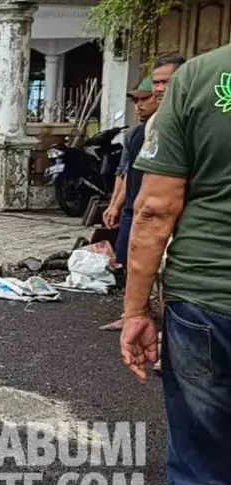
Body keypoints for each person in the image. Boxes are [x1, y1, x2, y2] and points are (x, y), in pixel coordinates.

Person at [120, 42, 231, 485]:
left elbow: (156, 207)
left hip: (207, 303)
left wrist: (136, 311)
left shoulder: (202, 77)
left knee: (204, 481)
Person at [101, 54, 184, 331]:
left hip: (172, 211)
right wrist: (115, 205)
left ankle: (166, 335)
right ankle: (136, 314)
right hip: (139, 208)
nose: (159, 89)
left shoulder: (186, 121)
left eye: (165, 83)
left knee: (169, 274)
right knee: (133, 261)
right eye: (156, 83)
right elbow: (125, 173)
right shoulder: (141, 131)